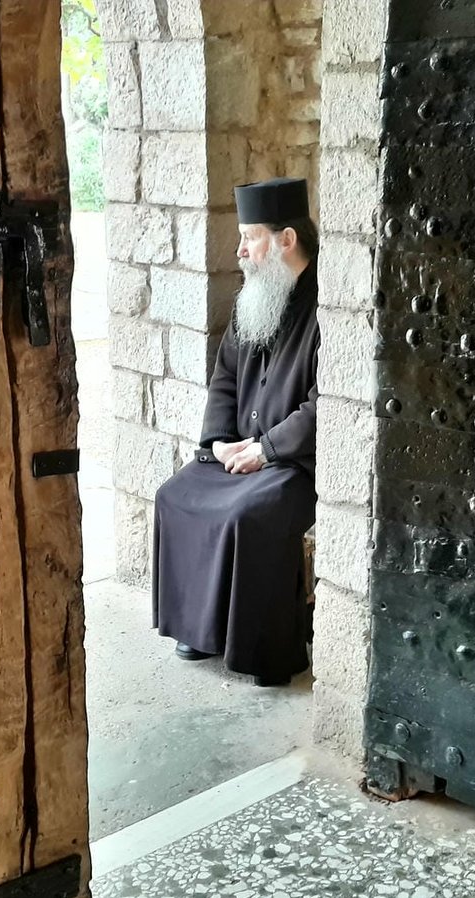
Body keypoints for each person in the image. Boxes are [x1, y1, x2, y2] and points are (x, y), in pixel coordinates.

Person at [152, 176, 320, 688]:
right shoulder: (255, 296)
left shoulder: (328, 306)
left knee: (248, 514)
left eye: (250, 237)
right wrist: (220, 439)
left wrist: (267, 450)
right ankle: (199, 629)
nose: (241, 250)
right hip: (240, 449)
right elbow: (225, 375)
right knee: (175, 495)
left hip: (294, 460)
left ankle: (265, 651)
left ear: (286, 239)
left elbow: (326, 406)